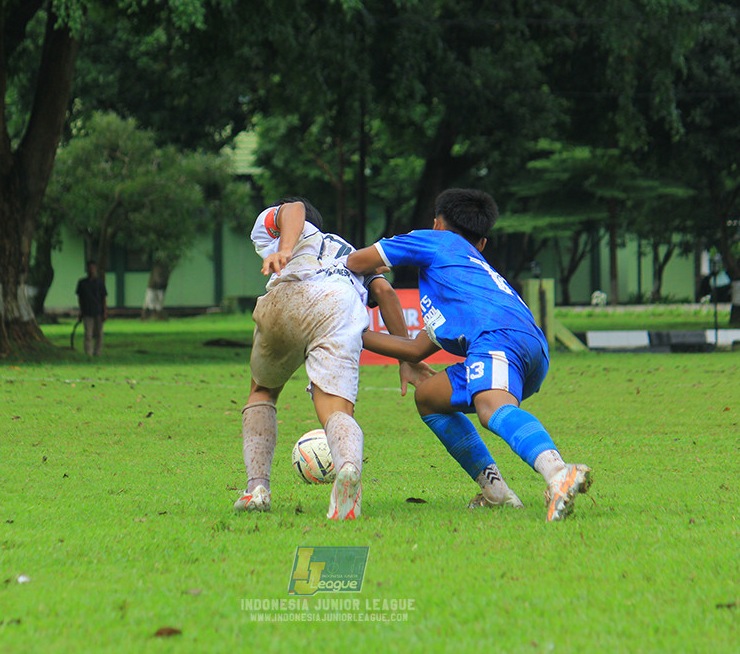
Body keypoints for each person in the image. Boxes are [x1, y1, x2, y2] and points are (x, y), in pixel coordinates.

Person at [346, 188, 592, 522]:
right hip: (529, 349)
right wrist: (350, 335)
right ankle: (496, 492)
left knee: (491, 409)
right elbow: (416, 349)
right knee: (429, 397)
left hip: (498, 340)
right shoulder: (466, 275)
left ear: (437, 224)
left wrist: (369, 275)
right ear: (482, 244)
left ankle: (558, 472)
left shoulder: (436, 241)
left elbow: (355, 262)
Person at [234, 198, 431, 520]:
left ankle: (257, 488)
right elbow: (385, 293)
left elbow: (294, 208)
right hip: (339, 306)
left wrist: (285, 249)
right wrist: (406, 359)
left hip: (288, 297)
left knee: (262, 391)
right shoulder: (350, 251)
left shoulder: (279, 227)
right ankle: (348, 468)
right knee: (336, 409)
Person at [75, 260, 107, 357]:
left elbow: (104, 298)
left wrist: (105, 312)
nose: (91, 270)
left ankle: (97, 353)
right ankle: (88, 353)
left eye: (93, 268)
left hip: (98, 311)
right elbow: (80, 298)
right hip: (87, 312)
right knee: (88, 334)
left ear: (96, 269)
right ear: (87, 269)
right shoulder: (82, 283)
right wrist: (81, 311)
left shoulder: (100, 283)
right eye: (89, 268)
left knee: (99, 334)